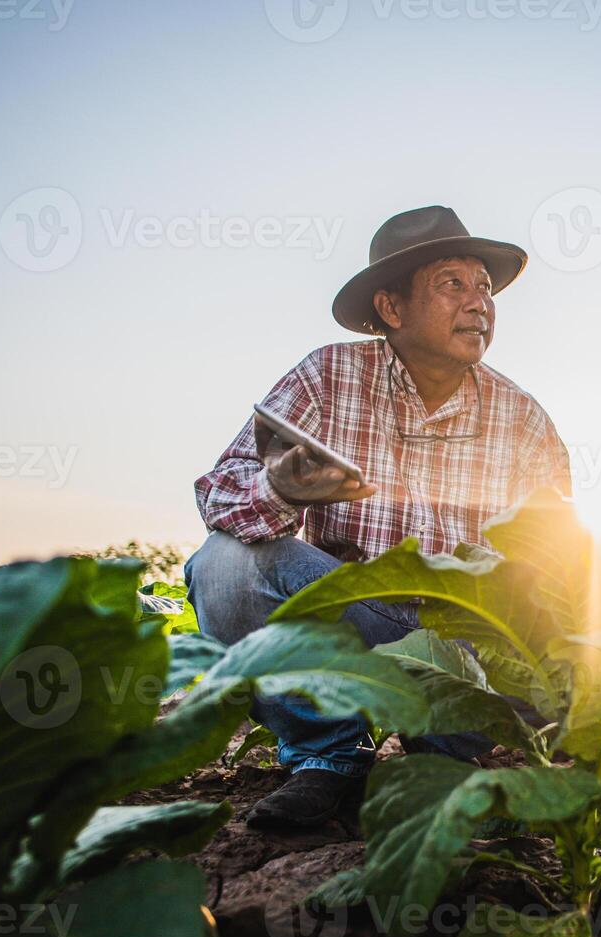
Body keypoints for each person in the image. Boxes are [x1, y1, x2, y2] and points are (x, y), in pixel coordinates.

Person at [185, 205, 571, 830]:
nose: (479, 305)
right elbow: (218, 493)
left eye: (485, 288)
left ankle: (453, 762)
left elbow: (560, 562)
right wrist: (282, 489)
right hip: (359, 621)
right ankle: (330, 759)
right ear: (392, 309)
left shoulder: (523, 417)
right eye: (453, 284)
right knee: (226, 563)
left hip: (466, 651)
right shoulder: (326, 376)